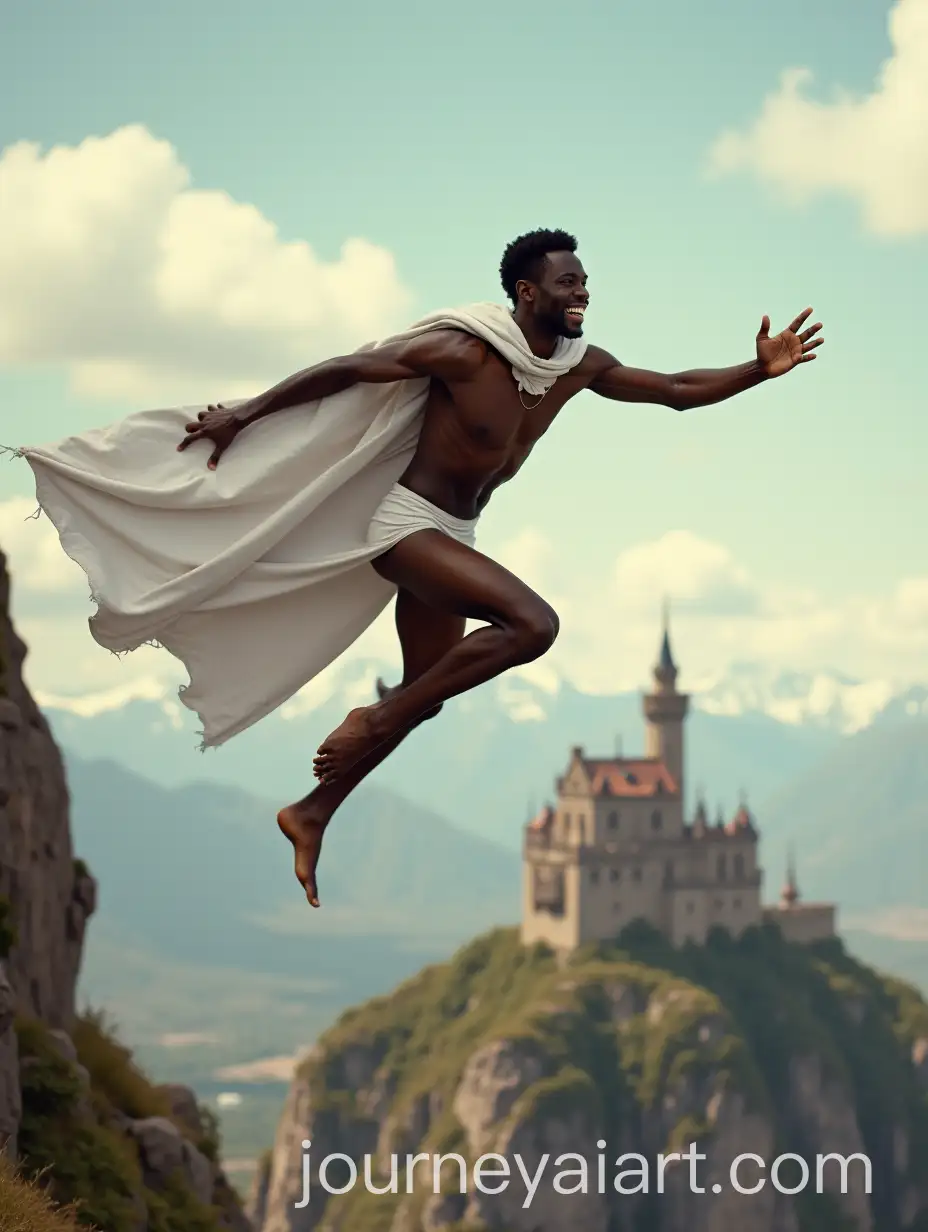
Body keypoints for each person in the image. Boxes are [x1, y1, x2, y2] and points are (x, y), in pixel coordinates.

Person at [176, 228, 824, 907]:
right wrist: (246, 415)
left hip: (457, 532)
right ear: (527, 292)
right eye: (568, 282)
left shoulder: (575, 366)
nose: (583, 292)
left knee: (429, 691)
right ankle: (377, 717)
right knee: (533, 626)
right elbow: (350, 368)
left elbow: (674, 389)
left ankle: (312, 812)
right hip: (408, 527)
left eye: (584, 281)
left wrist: (755, 371)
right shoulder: (466, 352)